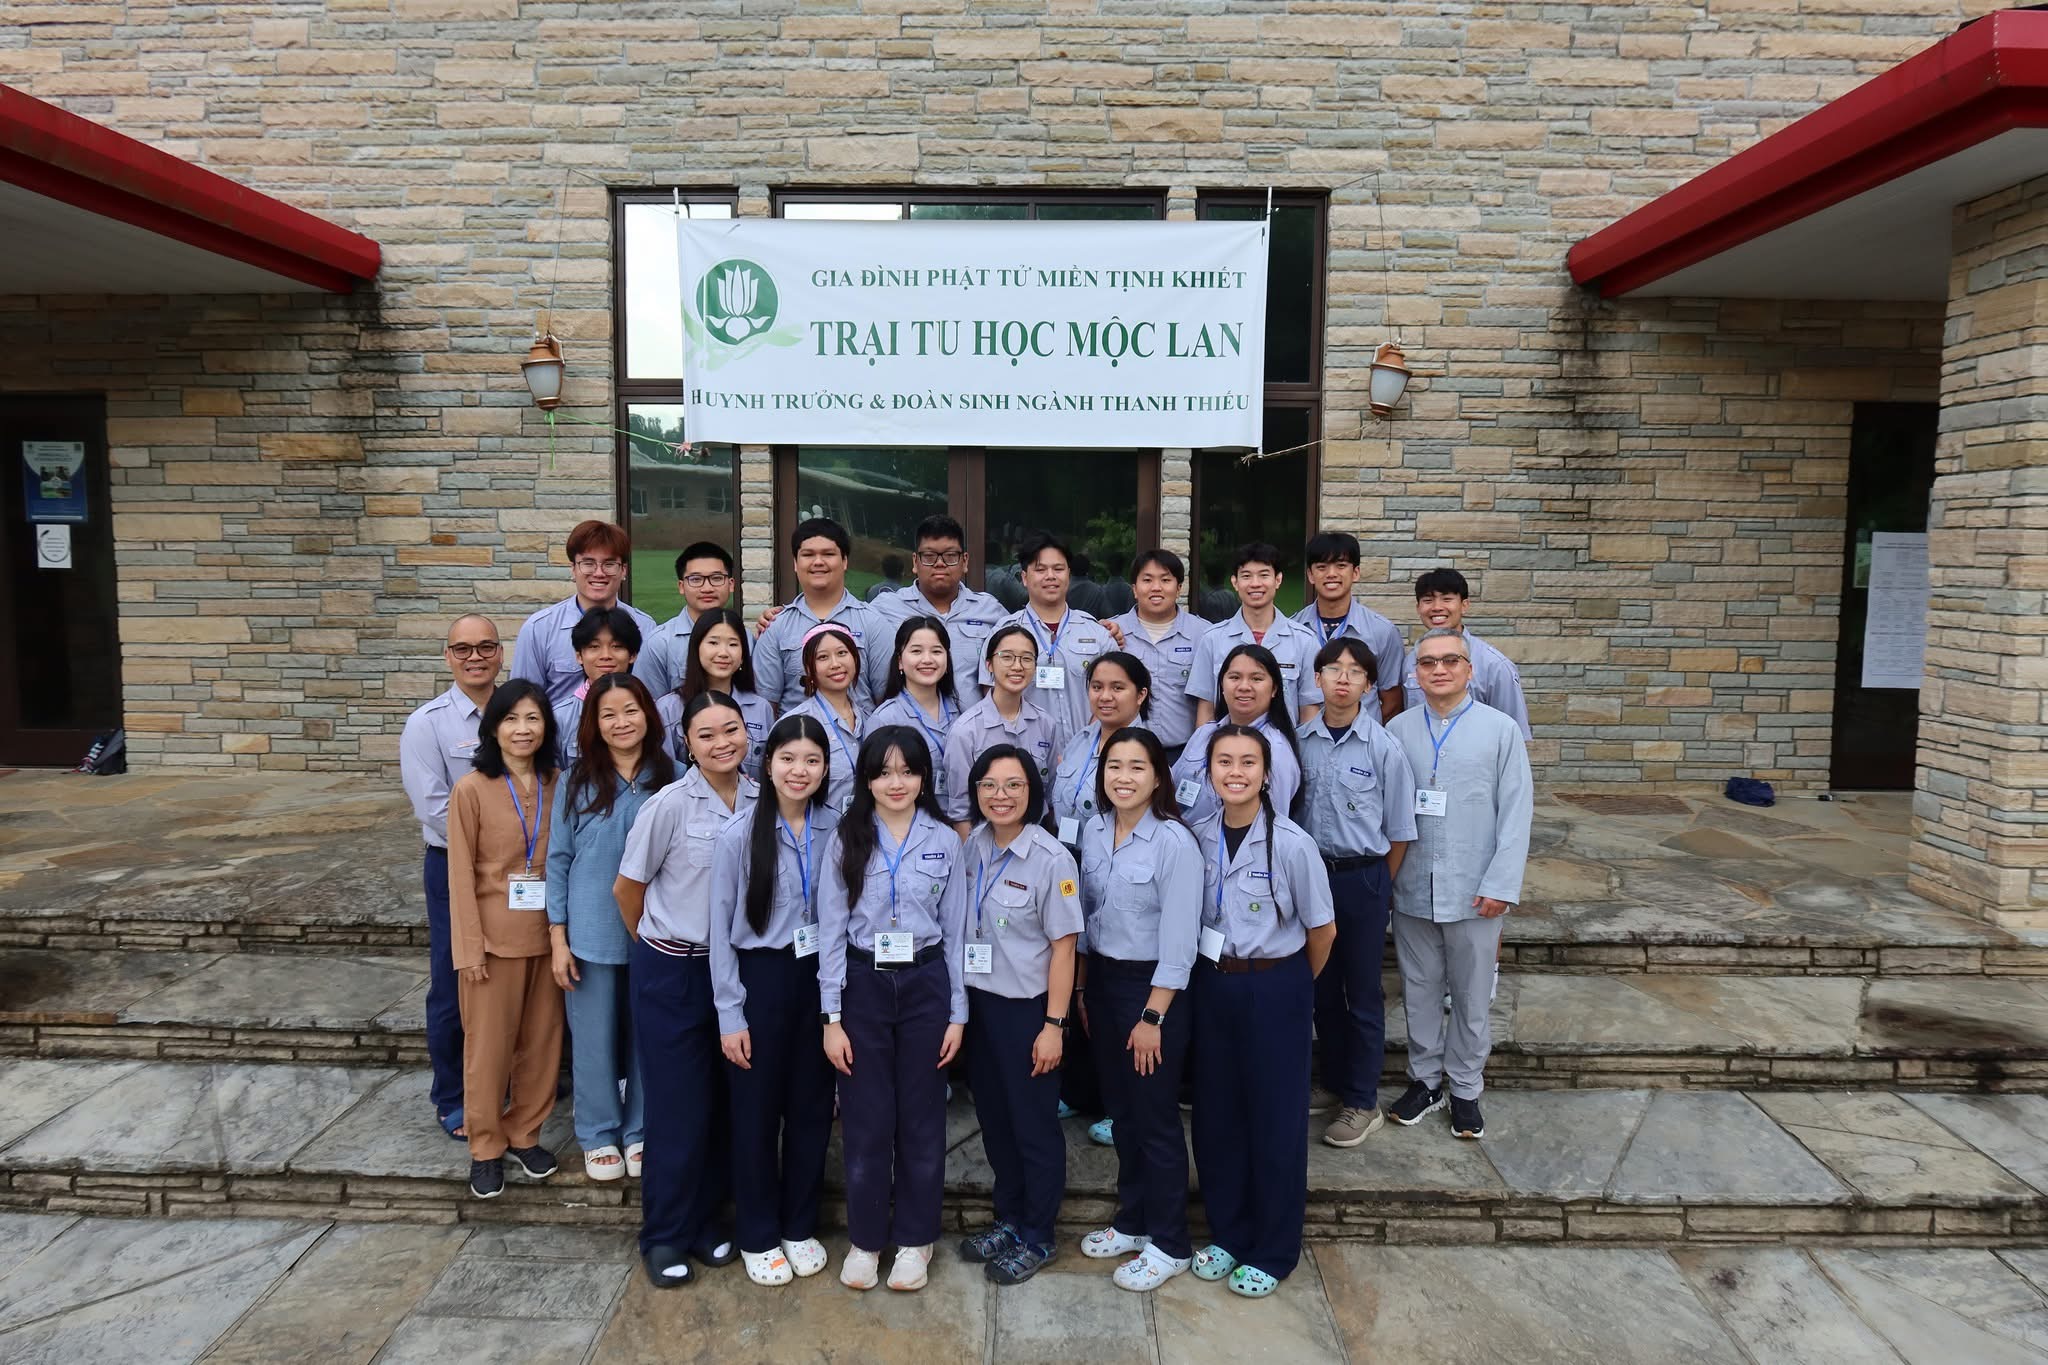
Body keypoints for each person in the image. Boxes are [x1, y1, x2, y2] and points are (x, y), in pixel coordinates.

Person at [615, 691, 760, 1287]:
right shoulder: (668, 806)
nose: (722, 742)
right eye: (707, 734)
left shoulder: (763, 799)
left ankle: (705, 1221)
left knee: (724, 1103)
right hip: (674, 971)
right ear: (687, 744)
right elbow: (628, 890)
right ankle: (664, 1234)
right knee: (678, 1107)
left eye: (732, 729)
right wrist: (663, 946)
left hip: (736, 974)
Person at [816, 727, 967, 1294]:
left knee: (923, 1118)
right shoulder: (847, 837)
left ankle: (915, 1239)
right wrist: (831, 1019)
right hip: (863, 986)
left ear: (925, 777)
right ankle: (866, 1239)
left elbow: (956, 930)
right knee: (866, 1118)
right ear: (867, 780)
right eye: (883, 772)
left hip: (927, 985)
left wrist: (957, 1013)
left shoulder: (944, 840)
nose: (896, 782)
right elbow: (831, 931)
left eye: (907, 771)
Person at [1187, 724, 1336, 1299]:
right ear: (1209, 772)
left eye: (1248, 762)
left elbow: (1323, 931)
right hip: (1213, 984)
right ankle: (1229, 1232)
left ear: (1267, 774)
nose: (1236, 772)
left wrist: (1288, 985)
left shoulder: (1293, 844)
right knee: (1217, 1114)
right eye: (1224, 761)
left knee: (1275, 1119)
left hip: (1276, 986)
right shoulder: (1196, 836)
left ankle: (1273, 1249)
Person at [1384, 628, 1533, 1141]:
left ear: (1469, 670)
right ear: (1415, 674)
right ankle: (1425, 1081)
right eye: (1428, 662)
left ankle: (1466, 1088)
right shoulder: (1397, 730)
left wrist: (1502, 884)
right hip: (1412, 885)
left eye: (1451, 661)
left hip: (1476, 888)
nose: (1439, 669)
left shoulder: (1500, 730)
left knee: (1470, 995)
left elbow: (1516, 812)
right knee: (1419, 989)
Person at [710, 714, 840, 1287]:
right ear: (768, 764)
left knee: (811, 1109)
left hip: (819, 980)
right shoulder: (739, 834)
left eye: (812, 760)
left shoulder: (837, 829)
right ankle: (758, 1233)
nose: (799, 770)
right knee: (756, 1114)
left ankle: (798, 1224)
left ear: (826, 769)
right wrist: (729, 1013)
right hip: (759, 981)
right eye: (788, 758)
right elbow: (719, 932)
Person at [1075, 726, 1202, 1293]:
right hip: (1103, 983)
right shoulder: (1094, 830)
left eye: (1136, 767)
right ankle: (1134, 1220)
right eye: (1114, 766)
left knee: (1154, 1118)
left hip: (1152, 991)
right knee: (1122, 1113)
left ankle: (1171, 1242)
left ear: (1157, 778)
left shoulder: (1174, 842)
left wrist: (1152, 1018)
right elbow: (1086, 919)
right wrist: (1083, 990)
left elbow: (1180, 941)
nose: (1123, 778)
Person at [954, 745, 1083, 1285]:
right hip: (980, 1007)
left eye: (1013, 785)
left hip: (1029, 1011)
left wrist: (1054, 1026)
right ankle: (1009, 1219)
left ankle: (1038, 1234)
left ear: (1032, 791)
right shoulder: (973, 845)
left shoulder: (1052, 859)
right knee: (995, 1120)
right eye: (988, 785)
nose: (1000, 795)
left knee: (1033, 1127)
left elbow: (1065, 949)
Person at [545, 673, 674, 1183]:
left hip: (654, 931)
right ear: (593, 724)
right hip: (591, 931)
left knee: (648, 1034)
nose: (622, 722)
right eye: (608, 714)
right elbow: (558, 860)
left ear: (649, 715)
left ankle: (641, 1127)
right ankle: (598, 1133)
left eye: (631, 710)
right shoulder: (576, 781)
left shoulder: (672, 776)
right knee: (593, 1038)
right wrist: (557, 938)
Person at [1297, 637, 1417, 1147]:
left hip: (1362, 877)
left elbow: (1400, 830)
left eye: (1355, 672)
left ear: (1369, 685)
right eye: (1333, 669)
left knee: (1363, 992)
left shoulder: (1384, 748)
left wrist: (1379, 885)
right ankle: (1333, 1081)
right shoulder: (1299, 742)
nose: (1342, 678)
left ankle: (1363, 1100)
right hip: (1312, 880)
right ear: (1317, 679)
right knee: (1320, 987)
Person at [447, 679, 565, 1200]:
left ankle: (525, 1132)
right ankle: (486, 1146)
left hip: (550, 936)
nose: (523, 729)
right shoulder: (471, 789)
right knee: (488, 1050)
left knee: (542, 1044)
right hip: (493, 942)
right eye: (511, 719)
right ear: (494, 727)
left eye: (533, 718)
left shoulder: (559, 783)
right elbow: (458, 875)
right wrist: (469, 948)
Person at [398, 613, 501, 1140]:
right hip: (455, 865)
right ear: (448, 656)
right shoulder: (428, 723)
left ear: (500, 653)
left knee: (511, 974)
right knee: (455, 975)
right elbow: (433, 806)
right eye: (463, 649)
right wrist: (501, 844)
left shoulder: (521, 712)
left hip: (518, 870)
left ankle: (508, 1080)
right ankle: (454, 1094)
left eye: (485, 647)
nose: (475, 657)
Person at [983, 531, 1118, 737]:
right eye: (1040, 569)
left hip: (1088, 749)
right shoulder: (1002, 634)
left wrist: (1086, 745)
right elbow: (992, 699)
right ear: (1024, 578)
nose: (1050, 576)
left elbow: (1117, 692)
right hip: (1022, 750)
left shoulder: (1097, 633)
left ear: (1068, 574)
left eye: (1058, 569)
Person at [511, 520, 657, 707]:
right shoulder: (538, 629)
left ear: (623, 571)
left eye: (609, 564)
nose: (599, 573)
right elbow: (522, 702)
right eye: (588, 563)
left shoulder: (645, 627)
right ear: (573, 569)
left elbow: (653, 696)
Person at [755, 518, 888, 709]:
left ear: (844, 561)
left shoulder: (873, 623)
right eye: (808, 554)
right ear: (795, 563)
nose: (818, 562)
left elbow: (886, 701)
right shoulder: (775, 626)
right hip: (797, 728)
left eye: (828, 554)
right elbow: (765, 706)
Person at [941, 624, 1064, 830]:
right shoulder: (966, 731)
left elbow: (1051, 798)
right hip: (986, 841)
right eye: (1007, 657)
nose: (1017, 666)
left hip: (1035, 838)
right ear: (989, 664)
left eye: (1026, 659)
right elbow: (961, 812)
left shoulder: (1045, 724)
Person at [870, 514, 1008, 695]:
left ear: (965, 561)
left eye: (950, 556)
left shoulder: (990, 611)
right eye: (929, 556)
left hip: (974, 714)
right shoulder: (884, 609)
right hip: (909, 713)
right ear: (915, 562)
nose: (940, 564)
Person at [1186, 543, 1322, 725]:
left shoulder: (1304, 641)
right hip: (1227, 742)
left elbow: (1309, 713)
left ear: (1278, 580)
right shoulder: (1212, 639)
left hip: (1283, 743)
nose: (1255, 584)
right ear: (1235, 582)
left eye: (1264, 575)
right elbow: (1206, 709)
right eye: (1246, 576)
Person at [1170, 645, 1303, 827]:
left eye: (1256, 679)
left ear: (1274, 689)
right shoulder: (1204, 734)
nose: (1244, 687)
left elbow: (1271, 825)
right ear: (1222, 686)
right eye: (1234, 677)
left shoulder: (1276, 750)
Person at [1400, 569, 1530, 741]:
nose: (1437, 607)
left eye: (1447, 599)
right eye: (1428, 600)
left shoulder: (1494, 665)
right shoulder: (1411, 661)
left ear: (1464, 605)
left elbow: (1515, 734)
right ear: (1418, 608)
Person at [1107, 549, 1211, 763]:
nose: (1156, 587)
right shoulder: (1111, 633)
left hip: (1183, 754)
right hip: (1125, 754)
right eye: (1147, 580)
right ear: (1134, 589)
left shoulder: (1203, 634)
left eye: (1165, 580)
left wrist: (1199, 755)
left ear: (1179, 588)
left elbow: (1208, 700)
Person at [1294, 532, 1407, 723]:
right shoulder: (1293, 629)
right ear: (1310, 575)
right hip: (1306, 737)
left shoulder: (1382, 631)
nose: (1331, 574)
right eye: (1321, 567)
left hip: (1362, 737)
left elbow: (1392, 701)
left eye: (1341, 566)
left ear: (1355, 572)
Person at [657, 607, 775, 777]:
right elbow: (663, 774)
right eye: (713, 643)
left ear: (743, 654)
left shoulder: (760, 708)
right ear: (696, 648)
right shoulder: (669, 709)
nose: (723, 653)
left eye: (733, 644)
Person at [1048, 652, 1152, 844]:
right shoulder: (1081, 739)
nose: (1104, 697)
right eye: (1097, 687)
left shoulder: (1147, 752)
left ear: (1140, 695)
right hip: (1064, 850)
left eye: (1117, 688)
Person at [863, 616, 961, 813]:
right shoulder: (885, 719)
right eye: (916, 651)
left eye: (936, 651)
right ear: (900, 661)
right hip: (910, 823)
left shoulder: (959, 711)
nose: (927, 659)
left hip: (958, 820)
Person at [783, 623, 867, 815]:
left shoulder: (871, 720)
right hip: (816, 830)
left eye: (842, 653)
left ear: (855, 658)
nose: (835, 664)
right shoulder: (796, 724)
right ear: (808, 668)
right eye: (822, 657)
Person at [636, 542, 739, 698]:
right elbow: (648, 705)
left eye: (717, 578)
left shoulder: (743, 638)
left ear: (731, 584)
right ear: (681, 586)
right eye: (696, 579)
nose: (707, 588)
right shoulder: (659, 643)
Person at [551, 607, 642, 764]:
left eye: (617, 646)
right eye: (594, 647)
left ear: (632, 655)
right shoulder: (560, 718)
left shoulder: (650, 709)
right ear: (579, 656)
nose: (606, 656)